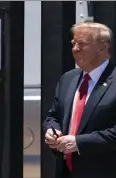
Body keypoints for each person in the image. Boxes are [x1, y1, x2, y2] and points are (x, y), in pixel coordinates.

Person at [43, 22, 116, 178]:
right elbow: (53, 115)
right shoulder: (68, 78)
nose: (75, 49)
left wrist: (79, 143)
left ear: (102, 47)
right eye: (73, 44)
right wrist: (51, 130)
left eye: (82, 44)